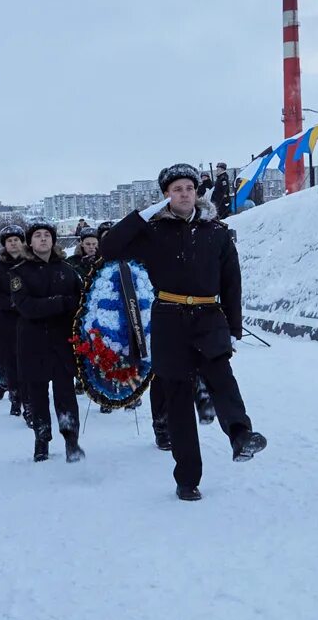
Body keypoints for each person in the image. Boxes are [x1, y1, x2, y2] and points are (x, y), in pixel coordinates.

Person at [100, 163, 265, 501]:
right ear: (166, 196)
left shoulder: (216, 232)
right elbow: (109, 247)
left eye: (189, 188)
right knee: (178, 401)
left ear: (197, 192)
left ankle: (241, 436)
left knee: (222, 379)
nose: (184, 194)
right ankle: (187, 478)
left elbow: (232, 283)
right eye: (176, 189)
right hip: (169, 319)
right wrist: (145, 215)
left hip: (209, 316)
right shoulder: (153, 233)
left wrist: (235, 328)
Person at [9, 221, 84, 463]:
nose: (43, 239)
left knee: (65, 394)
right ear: (29, 242)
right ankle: (41, 439)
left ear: (54, 240)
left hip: (62, 342)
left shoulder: (67, 269)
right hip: (32, 342)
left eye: (47, 236)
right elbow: (26, 307)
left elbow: (80, 300)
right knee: (37, 394)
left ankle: (71, 440)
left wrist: (64, 304)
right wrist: (61, 303)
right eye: (37, 236)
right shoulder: (19, 272)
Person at [0, 226, 26, 416]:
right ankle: (14, 397)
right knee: (8, 361)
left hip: (29, 320)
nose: (13, 243)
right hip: (6, 321)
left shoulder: (31, 265)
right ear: (4, 245)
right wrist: (16, 304)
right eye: (9, 241)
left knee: (28, 361)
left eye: (16, 240)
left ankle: (29, 397)